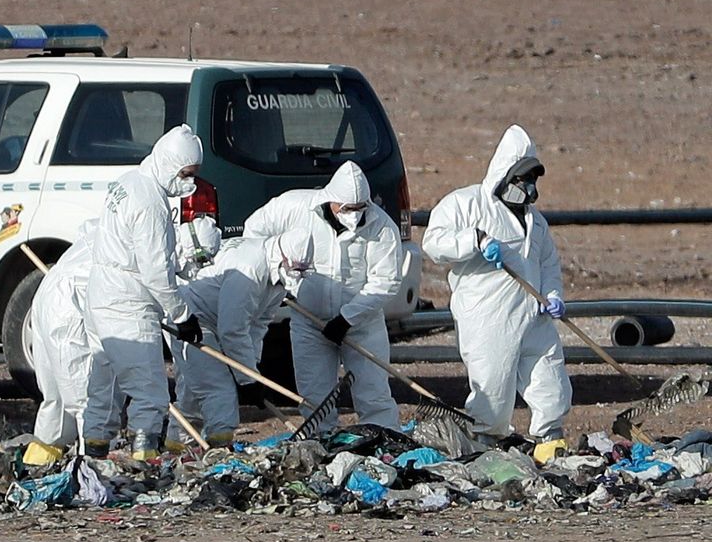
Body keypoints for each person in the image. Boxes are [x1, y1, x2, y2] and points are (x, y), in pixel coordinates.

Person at [421, 125, 570, 458]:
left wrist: (553, 294)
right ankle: (486, 443)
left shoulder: (536, 221)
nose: (530, 189)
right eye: (523, 180)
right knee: (493, 384)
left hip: (533, 311)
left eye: (533, 181)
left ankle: (550, 440)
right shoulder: (466, 204)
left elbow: (547, 263)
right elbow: (434, 243)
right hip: (489, 316)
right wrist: (474, 241)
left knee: (549, 375)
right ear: (505, 176)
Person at [243, 162, 403, 434]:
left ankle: (383, 441)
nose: (354, 215)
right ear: (331, 201)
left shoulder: (382, 228)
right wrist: (275, 276)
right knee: (315, 397)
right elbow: (254, 232)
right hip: (309, 321)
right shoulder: (295, 207)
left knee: (373, 391)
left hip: (362, 325)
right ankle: (320, 446)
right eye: (347, 209)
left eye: (360, 208)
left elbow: (385, 282)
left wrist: (347, 318)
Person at [82, 125, 204, 459]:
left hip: (101, 293)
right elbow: (155, 271)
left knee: (104, 388)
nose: (189, 183)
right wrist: (181, 314)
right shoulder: (151, 202)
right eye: (186, 174)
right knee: (149, 392)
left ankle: (94, 456)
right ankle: (144, 462)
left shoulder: (129, 181)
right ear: (168, 164)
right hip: (128, 303)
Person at [170, 231, 312, 444]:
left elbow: (258, 324)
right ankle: (221, 449)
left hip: (217, 317)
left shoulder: (278, 279)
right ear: (283, 257)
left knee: (194, 390)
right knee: (218, 389)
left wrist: (252, 370)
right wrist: (246, 380)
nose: (298, 275)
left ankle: (177, 447)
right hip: (193, 318)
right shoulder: (250, 269)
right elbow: (233, 330)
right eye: (296, 269)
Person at [21, 222, 99, 466]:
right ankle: (91, 461)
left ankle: (41, 455)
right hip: (69, 303)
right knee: (82, 388)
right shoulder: (135, 240)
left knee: (55, 388)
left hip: (47, 294)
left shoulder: (99, 233)